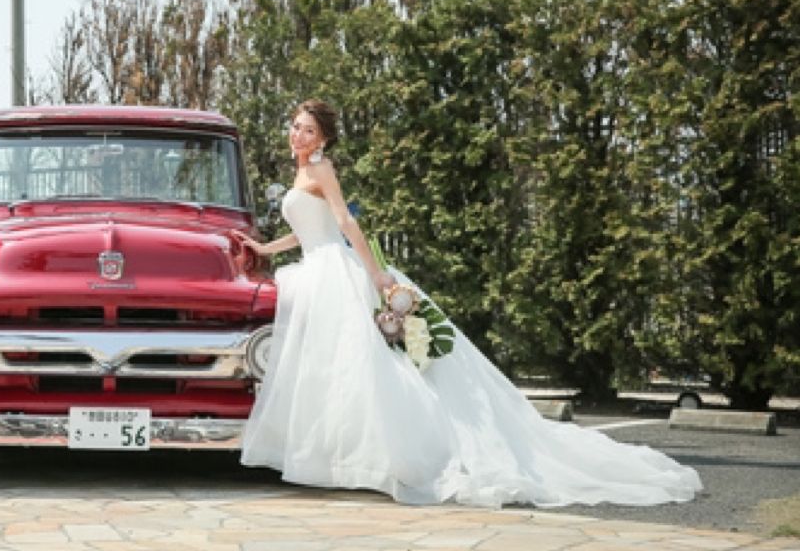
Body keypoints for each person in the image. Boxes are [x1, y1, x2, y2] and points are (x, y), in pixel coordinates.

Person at [235, 99, 702, 507]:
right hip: (313, 268)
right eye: (296, 126)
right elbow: (307, 230)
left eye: (309, 130)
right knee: (330, 368)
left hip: (335, 271)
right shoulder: (301, 172)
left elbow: (344, 223)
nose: (298, 135)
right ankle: (331, 458)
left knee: (365, 367)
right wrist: (264, 249)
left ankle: (386, 457)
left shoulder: (322, 169)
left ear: (324, 139)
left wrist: (376, 274)